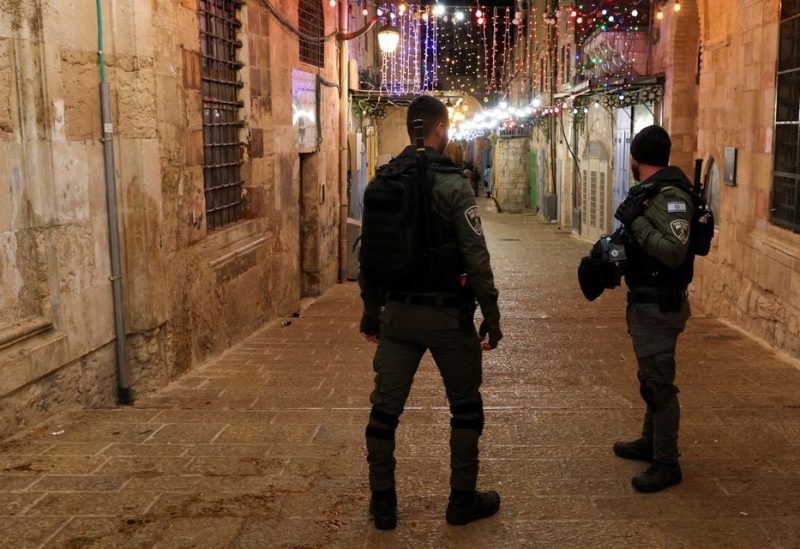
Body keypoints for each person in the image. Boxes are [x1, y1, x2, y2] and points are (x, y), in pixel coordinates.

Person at [359, 96, 503, 529]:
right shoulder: (454, 185)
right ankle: (462, 501)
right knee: (465, 409)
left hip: (398, 316)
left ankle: (383, 504)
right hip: (447, 318)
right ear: (440, 129)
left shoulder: (382, 182)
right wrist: (491, 317)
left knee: (385, 413)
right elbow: (476, 258)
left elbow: (370, 256)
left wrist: (371, 313)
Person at [613, 125, 695, 493]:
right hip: (647, 303)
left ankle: (667, 462)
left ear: (635, 159)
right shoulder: (652, 192)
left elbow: (674, 252)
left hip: (661, 306)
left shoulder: (673, 196)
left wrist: (637, 221)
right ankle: (651, 443)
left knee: (660, 384)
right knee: (651, 379)